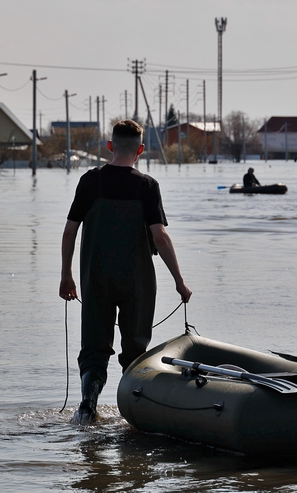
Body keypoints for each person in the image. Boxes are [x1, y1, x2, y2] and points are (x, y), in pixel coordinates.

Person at [59, 119, 192, 424]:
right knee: (135, 349)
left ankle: (88, 407)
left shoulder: (90, 181)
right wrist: (179, 281)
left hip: (96, 279)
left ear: (110, 146)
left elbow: (69, 232)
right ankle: (133, 415)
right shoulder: (147, 186)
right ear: (141, 150)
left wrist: (66, 275)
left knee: (94, 348)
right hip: (138, 282)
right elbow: (160, 237)